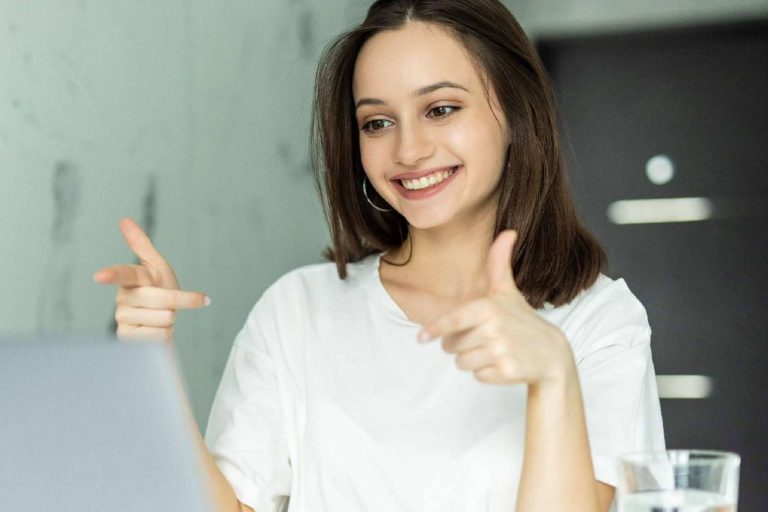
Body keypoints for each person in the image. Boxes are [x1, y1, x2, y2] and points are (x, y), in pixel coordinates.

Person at [93, 1, 665, 511]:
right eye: (378, 122)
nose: (409, 150)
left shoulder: (598, 323)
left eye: (440, 109)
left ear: (517, 115)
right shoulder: (296, 310)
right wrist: (151, 369)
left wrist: (552, 378)